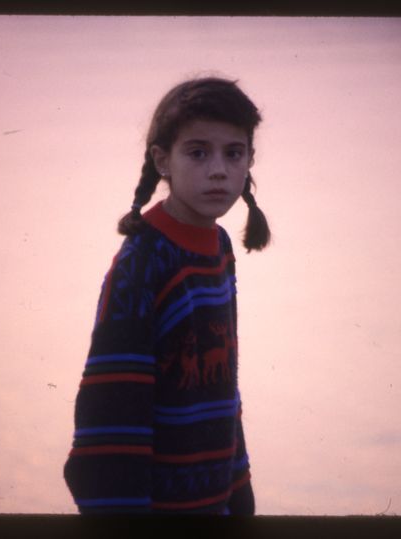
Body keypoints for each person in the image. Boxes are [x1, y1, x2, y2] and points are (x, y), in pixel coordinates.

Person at [63, 76, 270, 515]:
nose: (219, 169)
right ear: (162, 160)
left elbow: (221, 385)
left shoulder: (218, 246)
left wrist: (240, 491)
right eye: (198, 152)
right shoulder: (144, 262)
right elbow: (111, 412)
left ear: (250, 159)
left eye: (234, 153)